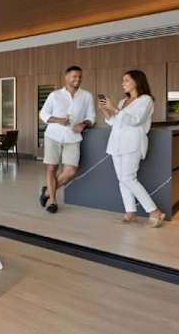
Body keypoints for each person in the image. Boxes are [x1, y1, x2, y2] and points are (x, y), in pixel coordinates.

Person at [99, 70, 166, 227]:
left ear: (137, 81)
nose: (123, 83)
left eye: (126, 80)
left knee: (128, 178)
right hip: (116, 144)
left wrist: (115, 109)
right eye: (123, 80)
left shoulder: (146, 100)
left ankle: (155, 211)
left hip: (133, 143)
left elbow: (136, 121)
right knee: (122, 180)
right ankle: (130, 212)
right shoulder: (123, 101)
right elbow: (115, 122)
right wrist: (105, 109)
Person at [38, 65, 96, 214]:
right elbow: (43, 114)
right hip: (53, 135)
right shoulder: (55, 95)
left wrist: (83, 124)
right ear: (66, 77)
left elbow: (91, 116)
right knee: (51, 168)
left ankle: (47, 192)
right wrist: (58, 120)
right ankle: (53, 201)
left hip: (73, 137)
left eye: (80, 77)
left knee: (70, 171)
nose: (78, 79)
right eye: (74, 76)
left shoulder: (86, 96)